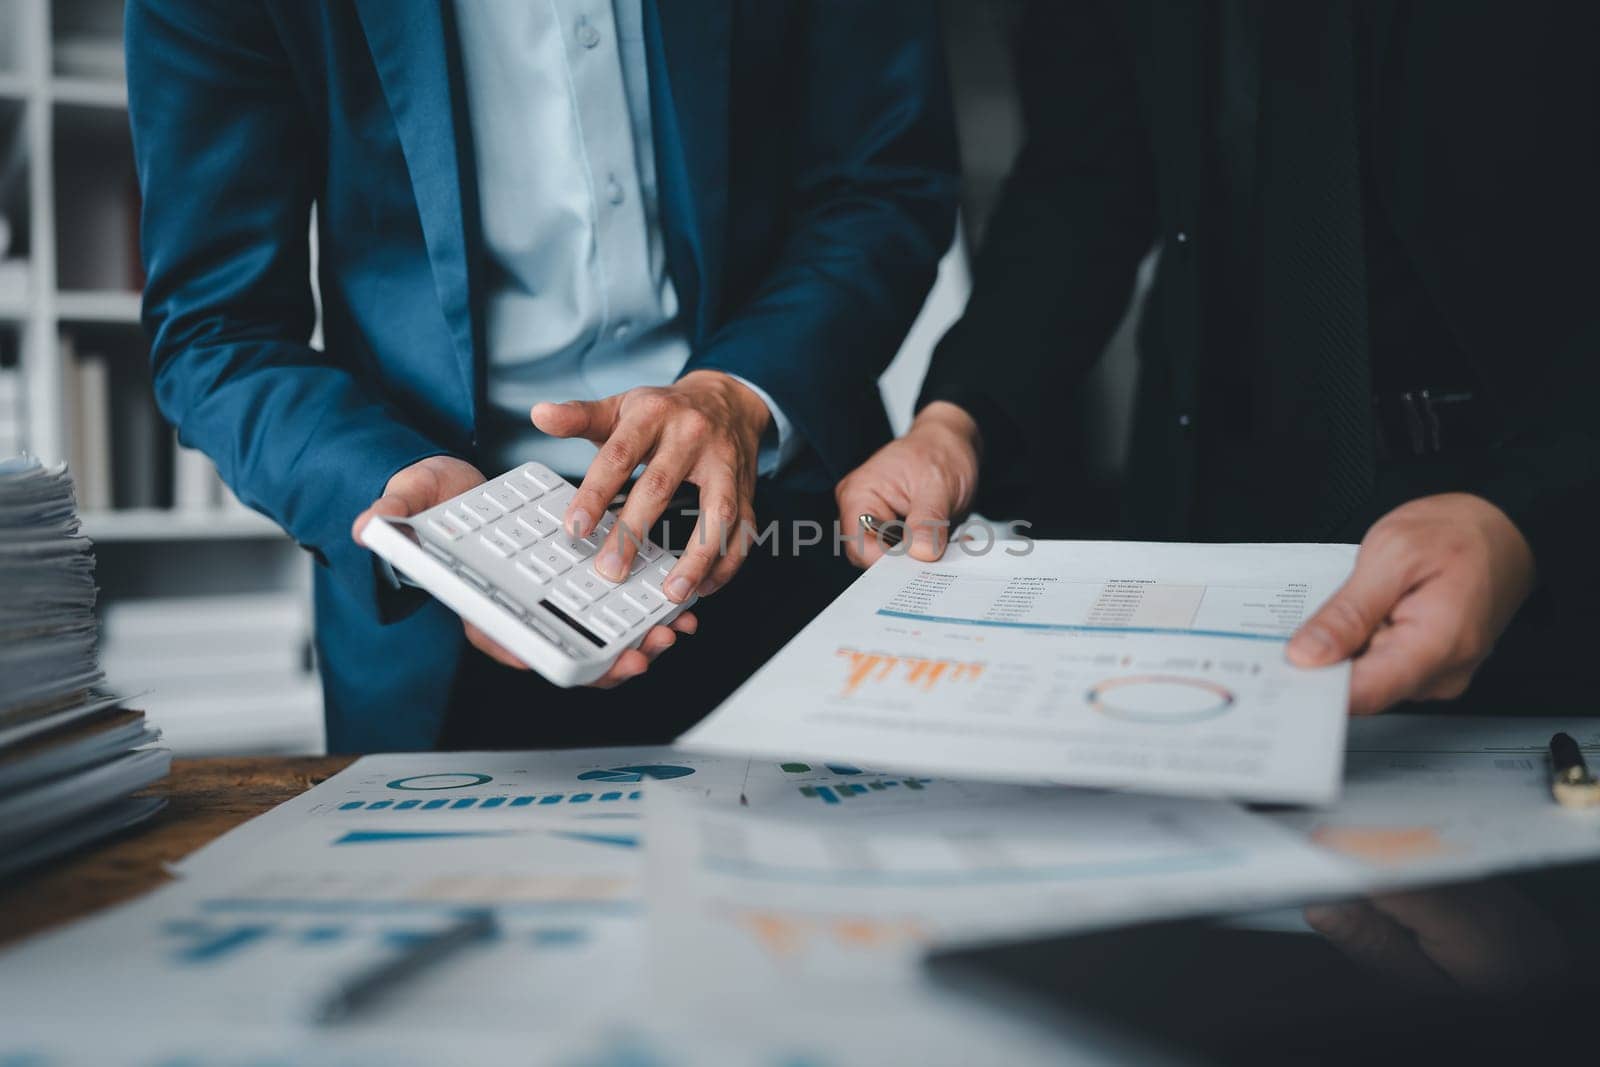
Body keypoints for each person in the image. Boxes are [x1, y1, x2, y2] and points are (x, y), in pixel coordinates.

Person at [127, 0, 957, 750]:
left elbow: (882, 184)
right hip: (448, 598)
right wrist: (402, 496)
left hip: (787, 529)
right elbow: (214, 330)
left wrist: (739, 389)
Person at [836, 1, 1600, 716]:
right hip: (1195, 531)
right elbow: (1085, 172)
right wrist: (957, 417)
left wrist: (1531, 510)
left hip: (1520, 545)